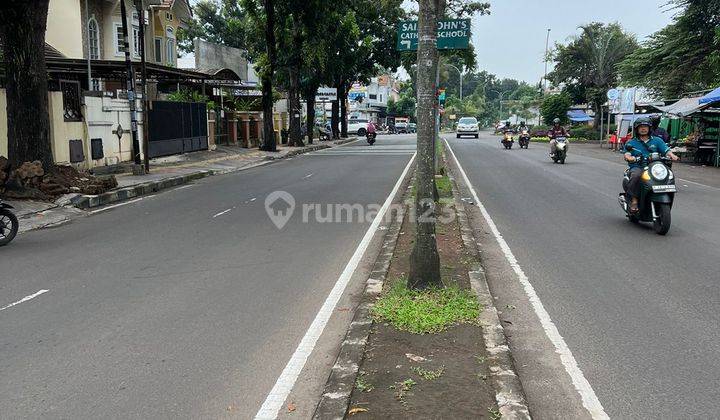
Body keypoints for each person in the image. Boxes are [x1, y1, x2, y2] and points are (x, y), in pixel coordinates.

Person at [624, 117, 679, 213]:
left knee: (668, 175)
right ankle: (634, 200)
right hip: (638, 166)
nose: (643, 129)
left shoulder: (657, 140)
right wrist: (630, 158)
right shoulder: (631, 142)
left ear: (650, 128)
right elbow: (627, 154)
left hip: (655, 166)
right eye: (640, 127)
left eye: (645, 126)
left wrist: (673, 156)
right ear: (637, 129)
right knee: (636, 175)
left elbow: (666, 150)